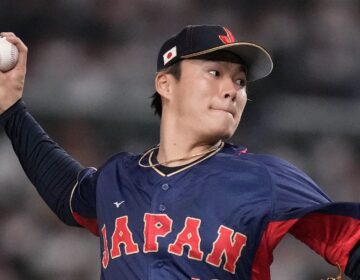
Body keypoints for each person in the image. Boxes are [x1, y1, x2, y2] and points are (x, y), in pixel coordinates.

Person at [0, 25, 359, 280]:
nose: (232, 90)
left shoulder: (264, 178)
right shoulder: (119, 178)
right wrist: (12, 108)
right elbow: (67, 193)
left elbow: (352, 241)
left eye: (240, 81)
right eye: (215, 72)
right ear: (165, 84)